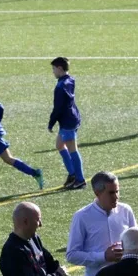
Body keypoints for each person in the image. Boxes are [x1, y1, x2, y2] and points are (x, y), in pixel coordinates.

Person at [48, 57, 86, 189]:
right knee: (59, 145)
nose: (53, 72)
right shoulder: (70, 79)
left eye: (54, 69)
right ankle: (72, 174)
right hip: (72, 117)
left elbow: (58, 108)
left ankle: (80, 179)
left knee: (72, 149)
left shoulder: (60, 87)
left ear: (59, 68)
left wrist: (51, 122)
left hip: (67, 121)